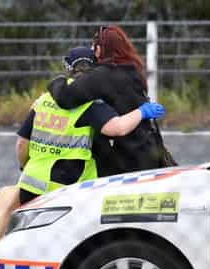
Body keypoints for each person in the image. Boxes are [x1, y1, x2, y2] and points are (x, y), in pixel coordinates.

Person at [17, 46, 165, 204]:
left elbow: (21, 144)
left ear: (67, 67)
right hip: (69, 188)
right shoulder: (91, 103)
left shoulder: (44, 100)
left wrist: (24, 166)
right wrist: (142, 112)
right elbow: (118, 128)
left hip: (31, 185)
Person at [48, 25, 176, 172]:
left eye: (94, 46)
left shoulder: (101, 76)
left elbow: (66, 98)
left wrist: (57, 82)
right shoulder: (132, 69)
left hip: (127, 157)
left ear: (100, 49)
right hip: (149, 148)